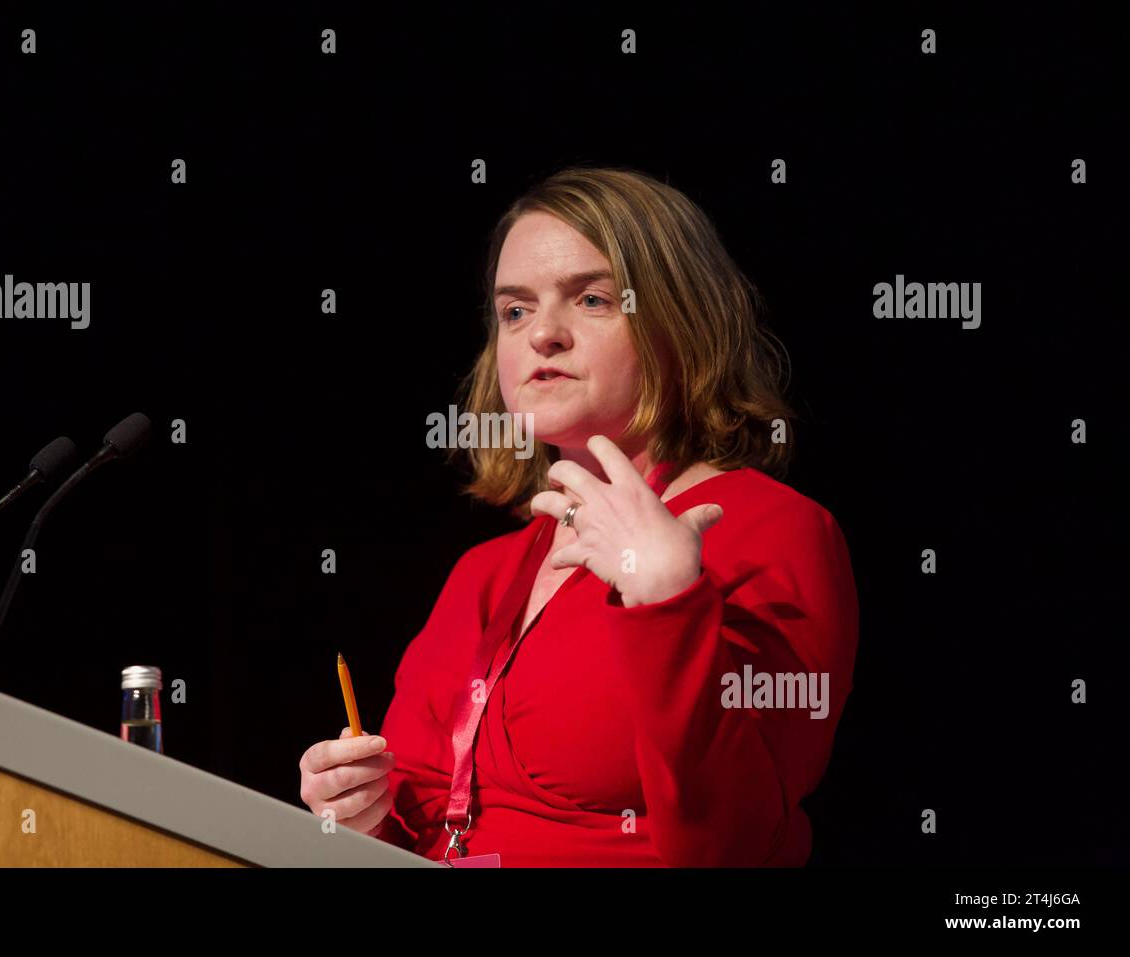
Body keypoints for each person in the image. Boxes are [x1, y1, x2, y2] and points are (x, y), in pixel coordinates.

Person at [299, 166, 859, 866]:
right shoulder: (483, 571)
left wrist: (669, 602)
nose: (542, 335)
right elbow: (426, 821)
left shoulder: (774, 532)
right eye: (515, 311)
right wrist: (359, 814)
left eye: (591, 298)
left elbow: (735, 846)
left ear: (682, 323)